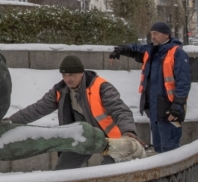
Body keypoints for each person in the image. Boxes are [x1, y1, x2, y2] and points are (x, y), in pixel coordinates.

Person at [9, 55, 142, 170]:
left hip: (112, 139)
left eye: (72, 74)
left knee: (109, 174)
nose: (68, 79)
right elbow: (38, 108)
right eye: (65, 75)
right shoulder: (60, 90)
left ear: (81, 73)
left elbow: (120, 110)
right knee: (63, 172)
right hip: (83, 137)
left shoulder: (101, 87)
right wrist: (12, 121)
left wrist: (128, 131)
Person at [110, 21, 191, 153]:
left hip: (169, 108)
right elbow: (135, 48)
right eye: (151, 34)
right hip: (154, 108)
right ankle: (164, 173)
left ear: (166, 35)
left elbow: (183, 81)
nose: (152, 37)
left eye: (156, 34)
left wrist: (178, 105)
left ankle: (174, 174)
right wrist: (120, 50)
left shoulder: (177, 53)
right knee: (159, 148)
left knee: (170, 149)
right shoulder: (152, 51)